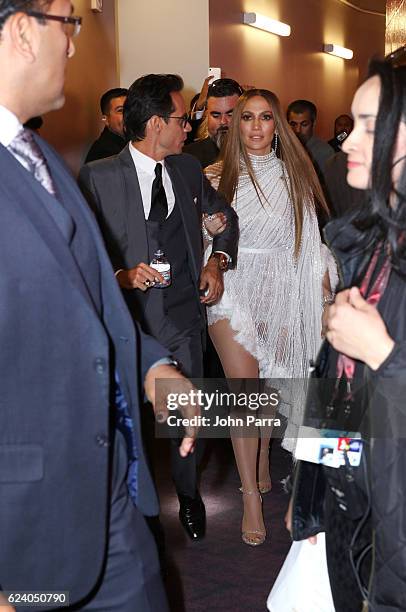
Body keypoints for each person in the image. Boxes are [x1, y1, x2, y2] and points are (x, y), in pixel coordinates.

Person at [0, 2, 198, 610]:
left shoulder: (35, 157)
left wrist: (150, 366)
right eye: (69, 24)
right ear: (23, 32)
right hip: (23, 530)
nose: (75, 45)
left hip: (106, 490)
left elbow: (83, 307)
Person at [79, 73, 239, 541]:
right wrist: (121, 276)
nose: (189, 127)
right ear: (154, 124)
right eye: (180, 118)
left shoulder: (188, 169)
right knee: (127, 419)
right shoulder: (99, 176)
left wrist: (216, 262)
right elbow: (83, 249)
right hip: (127, 324)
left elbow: (224, 219)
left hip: (184, 318)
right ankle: (131, 510)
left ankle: (188, 497)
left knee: (184, 416)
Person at [289, 51, 406, 611]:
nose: (349, 140)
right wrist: (312, 494)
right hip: (356, 514)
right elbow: (336, 383)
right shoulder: (374, 241)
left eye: (369, 125)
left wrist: (383, 354)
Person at [204, 89, 331, 546]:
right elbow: (194, 241)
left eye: (265, 118)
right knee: (245, 392)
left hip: (281, 287)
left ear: (277, 125)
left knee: (268, 390)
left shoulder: (296, 175)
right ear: (234, 125)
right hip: (232, 287)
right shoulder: (214, 176)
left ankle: (260, 466)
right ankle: (250, 498)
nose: (256, 127)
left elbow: (308, 242)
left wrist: (319, 295)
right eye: (246, 118)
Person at [184, 77, 243, 168]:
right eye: (216, 115)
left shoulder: (262, 150)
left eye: (230, 115)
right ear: (207, 115)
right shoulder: (190, 157)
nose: (223, 121)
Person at [287, 99, 334, 179]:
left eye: (304, 124)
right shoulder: (282, 147)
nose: (298, 130)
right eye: (293, 124)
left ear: (314, 123)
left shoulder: (325, 151)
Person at [84, 87, 128, 163]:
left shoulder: (131, 141)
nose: (128, 114)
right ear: (106, 120)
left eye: (131, 108)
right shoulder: (104, 154)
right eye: (120, 110)